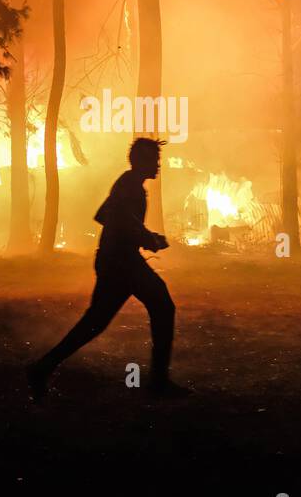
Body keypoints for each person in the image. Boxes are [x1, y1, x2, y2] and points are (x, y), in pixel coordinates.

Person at [28, 137, 190, 400]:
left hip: (117, 260)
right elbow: (119, 220)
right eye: (154, 160)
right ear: (141, 161)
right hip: (122, 262)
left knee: (96, 322)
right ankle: (158, 381)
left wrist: (142, 234)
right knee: (160, 305)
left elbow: (104, 215)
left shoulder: (128, 184)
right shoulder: (130, 187)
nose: (159, 165)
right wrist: (147, 238)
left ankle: (42, 368)